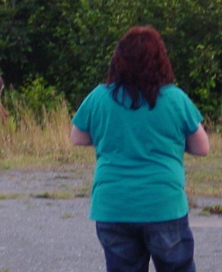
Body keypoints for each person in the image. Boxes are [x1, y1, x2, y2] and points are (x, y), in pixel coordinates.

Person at [71, 25, 210, 272]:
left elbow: (78, 138)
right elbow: (202, 147)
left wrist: (111, 136)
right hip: (163, 204)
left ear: (118, 59)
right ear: (161, 60)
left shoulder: (99, 97)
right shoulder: (175, 98)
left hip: (113, 206)